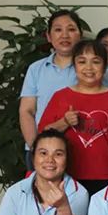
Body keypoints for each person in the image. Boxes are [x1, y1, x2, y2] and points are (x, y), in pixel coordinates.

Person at [38, 39, 108, 194]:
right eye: (82, 61)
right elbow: (43, 134)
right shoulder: (61, 97)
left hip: (107, 175)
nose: (89, 67)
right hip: (67, 175)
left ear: (104, 66)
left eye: (96, 61)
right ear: (74, 66)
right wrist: (64, 122)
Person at [0, 129, 88, 215]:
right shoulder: (16, 191)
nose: (50, 160)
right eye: (43, 153)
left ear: (67, 159)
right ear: (33, 158)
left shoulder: (79, 192)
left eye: (58, 154)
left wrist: (63, 207)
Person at [19, 10, 83, 167]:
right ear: (49, 36)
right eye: (58, 30)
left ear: (80, 35)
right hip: (44, 150)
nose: (65, 35)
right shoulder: (36, 69)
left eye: (71, 29)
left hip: (82, 149)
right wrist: (36, 147)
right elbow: (27, 111)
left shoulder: (92, 69)